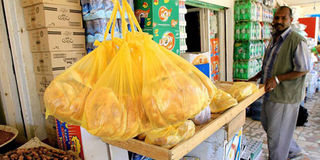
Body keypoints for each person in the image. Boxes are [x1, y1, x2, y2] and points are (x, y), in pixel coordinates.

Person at [249, 6, 311, 160]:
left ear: (291, 20)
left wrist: (277, 79)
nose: (279, 21)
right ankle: (293, 151)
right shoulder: (274, 39)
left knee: (276, 137)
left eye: (283, 18)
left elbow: (303, 69)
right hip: (270, 93)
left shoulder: (296, 41)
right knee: (269, 126)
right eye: (277, 18)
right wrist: (256, 76)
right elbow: (269, 65)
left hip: (285, 97)